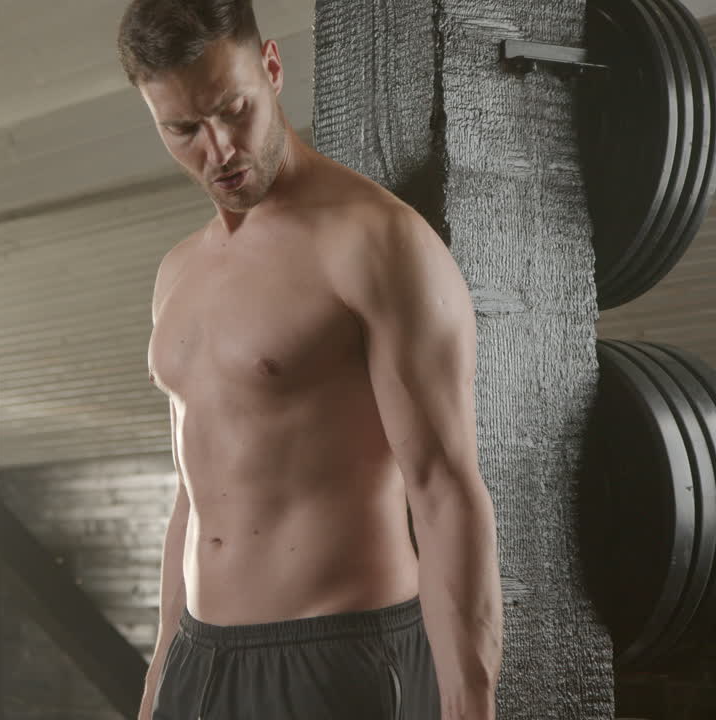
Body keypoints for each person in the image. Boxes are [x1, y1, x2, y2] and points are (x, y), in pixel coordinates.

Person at [116, 1, 503, 718]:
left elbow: (445, 488)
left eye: (234, 110)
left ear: (270, 67)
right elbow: (196, 497)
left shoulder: (376, 242)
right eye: (183, 130)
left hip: (337, 657)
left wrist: (469, 704)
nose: (219, 149)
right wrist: (160, 671)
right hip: (201, 662)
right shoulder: (177, 274)